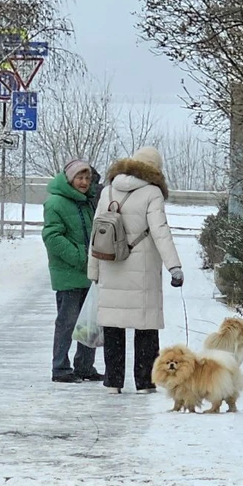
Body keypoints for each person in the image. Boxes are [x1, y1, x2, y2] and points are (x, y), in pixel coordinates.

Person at [87, 146, 183, 394]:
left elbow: (96, 234)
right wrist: (174, 267)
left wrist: (94, 271)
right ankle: (144, 382)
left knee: (113, 328)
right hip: (141, 270)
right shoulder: (152, 193)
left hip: (111, 265)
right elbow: (160, 231)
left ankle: (113, 382)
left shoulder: (108, 190)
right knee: (145, 329)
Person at [42, 158, 104, 384]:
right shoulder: (56, 203)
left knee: (90, 321)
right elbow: (52, 237)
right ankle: (60, 367)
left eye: (87, 178)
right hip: (69, 273)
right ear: (69, 179)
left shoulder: (88, 202)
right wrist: (80, 257)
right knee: (67, 322)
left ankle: (85, 366)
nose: (85, 182)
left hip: (89, 272)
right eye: (80, 177)